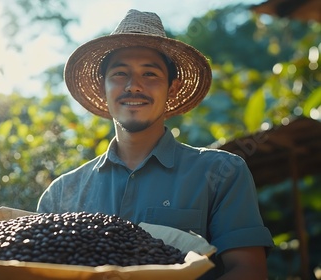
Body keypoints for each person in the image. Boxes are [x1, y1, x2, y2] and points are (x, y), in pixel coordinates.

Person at [36, 9, 274, 279]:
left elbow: (247, 270)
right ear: (103, 88)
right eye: (119, 73)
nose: (133, 86)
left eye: (149, 74)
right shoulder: (61, 195)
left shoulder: (221, 173)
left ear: (172, 88)